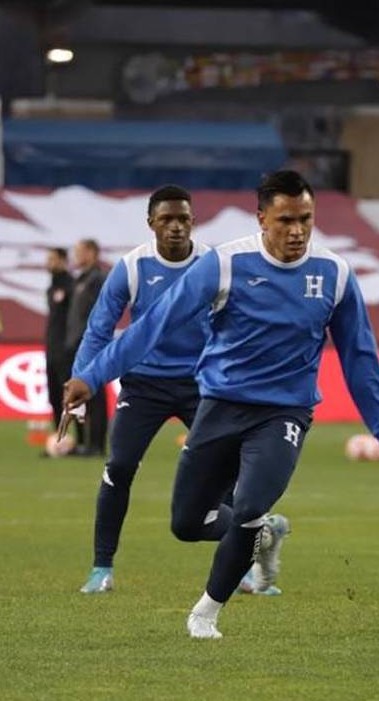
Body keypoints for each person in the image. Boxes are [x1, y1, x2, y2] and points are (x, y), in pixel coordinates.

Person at [65, 170, 379, 638]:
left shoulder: (335, 275)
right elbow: (154, 325)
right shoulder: (225, 265)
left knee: (247, 505)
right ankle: (261, 538)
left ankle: (206, 612)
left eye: (305, 219)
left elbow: (359, 356)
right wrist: (92, 375)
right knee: (186, 522)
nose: (296, 231)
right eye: (285, 219)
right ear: (262, 218)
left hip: (284, 413)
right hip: (220, 405)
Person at [72, 185, 269, 595]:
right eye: (167, 219)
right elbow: (99, 330)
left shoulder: (214, 265)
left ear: (193, 221)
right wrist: (82, 382)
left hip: (203, 385)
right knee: (119, 466)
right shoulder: (132, 267)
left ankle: (246, 568)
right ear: (151, 224)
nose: (176, 227)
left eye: (183, 218)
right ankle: (101, 569)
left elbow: (241, 325)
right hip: (143, 385)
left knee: (227, 473)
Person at [64, 238, 109, 456]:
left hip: (92, 345)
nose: (76, 257)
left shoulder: (98, 279)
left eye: (79, 252)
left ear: (92, 253)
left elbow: (102, 314)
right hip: (77, 344)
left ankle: (97, 445)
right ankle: (85, 443)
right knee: (81, 394)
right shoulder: (80, 280)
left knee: (95, 395)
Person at [44, 247, 73, 430]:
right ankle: (58, 435)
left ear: (63, 261)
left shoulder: (71, 285)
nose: (48, 263)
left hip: (66, 348)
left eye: (52, 259)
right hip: (52, 348)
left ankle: (81, 440)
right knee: (54, 395)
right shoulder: (51, 287)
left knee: (71, 396)